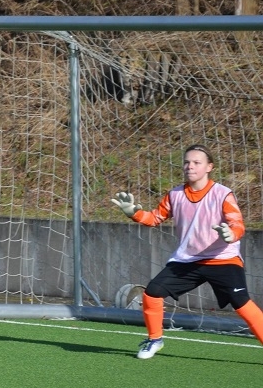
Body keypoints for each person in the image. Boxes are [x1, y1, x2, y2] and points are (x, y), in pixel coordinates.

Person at [112, 143, 263, 359]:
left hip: (223, 259)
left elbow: (237, 223)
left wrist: (231, 234)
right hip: (188, 260)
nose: (190, 166)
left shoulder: (223, 194)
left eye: (196, 162)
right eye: (187, 162)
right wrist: (133, 213)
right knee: (153, 292)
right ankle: (155, 339)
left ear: (209, 167)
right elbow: (154, 218)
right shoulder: (175, 194)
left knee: (240, 301)